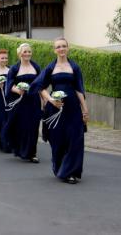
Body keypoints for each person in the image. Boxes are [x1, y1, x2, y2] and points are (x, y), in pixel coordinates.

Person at [30, 37, 89, 184]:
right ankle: (59, 166)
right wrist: (50, 100)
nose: (61, 49)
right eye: (58, 47)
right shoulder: (50, 68)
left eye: (64, 46)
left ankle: (70, 172)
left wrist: (85, 109)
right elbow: (40, 86)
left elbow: (79, 89)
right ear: (54, 50)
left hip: (73, 108)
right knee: (58, 140)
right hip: (55, 109)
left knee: (75, 139)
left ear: (68, 48)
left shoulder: (75, 67)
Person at [2, 43, 41, 161]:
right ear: (20, 53)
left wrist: (45, 100)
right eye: (25, 52)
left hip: (34, 101)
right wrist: (17, 90)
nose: (27, 54)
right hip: (19, 101)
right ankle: (21, 149)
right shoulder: (14, 68)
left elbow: (41, 85)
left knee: (34, 126)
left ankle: (32, 153)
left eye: (29, 51)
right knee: (22, 126)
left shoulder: (36, 67)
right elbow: (9, 85)